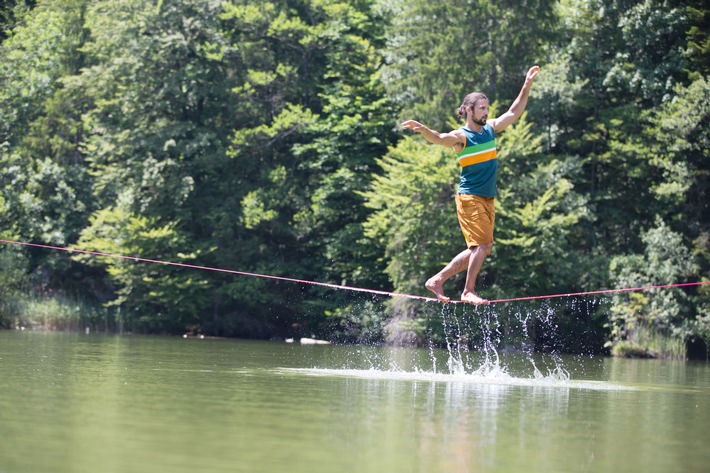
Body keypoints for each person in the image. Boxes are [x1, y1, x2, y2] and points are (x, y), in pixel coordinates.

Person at [402, 66, 540, 304]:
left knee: (480, 248)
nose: (486, 112)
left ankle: (437, 280)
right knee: (483, 245)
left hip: (487, 198)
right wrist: (424, 130)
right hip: (469, 197)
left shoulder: (490, 129)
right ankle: (468, 291)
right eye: (482, 108)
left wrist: (526, 84)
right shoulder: (462, 136)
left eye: (487, 108)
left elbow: (514, 112)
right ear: (468, 110)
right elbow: (439, 138)